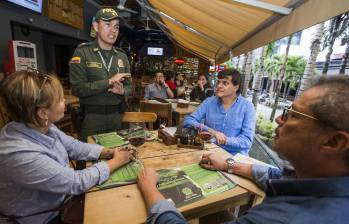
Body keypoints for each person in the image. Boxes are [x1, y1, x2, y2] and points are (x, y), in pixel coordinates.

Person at [137, 74, 349, 224]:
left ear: (333, 142)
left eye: (293, 114)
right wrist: (229, 165)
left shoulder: (281, 217)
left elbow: (246, 141)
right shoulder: (313, 179)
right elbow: (275, 175)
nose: (278, 118)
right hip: (219, 159)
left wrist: (150, 189)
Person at [0, 71, 136, 224]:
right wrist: (117, 161)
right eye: (59, 99)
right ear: (43, 113)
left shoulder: (39, 125)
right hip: (44, 217)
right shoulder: (19, 154)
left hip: (59, 201)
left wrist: (109, 152)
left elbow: (73, 146)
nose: (65, 100)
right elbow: (75, 182)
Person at [69, 8, 132, 142]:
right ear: (96, 26)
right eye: (108, 25)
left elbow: (130, 87)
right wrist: (109, 82)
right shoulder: (83, 52)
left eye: (116, 27)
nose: (113, 30)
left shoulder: (122, 56)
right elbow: (77, 89)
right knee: (91, 159)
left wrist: (122, 91)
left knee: (120, 156)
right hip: (92, 118)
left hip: (118, 116)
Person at [183, 69, 256, 155]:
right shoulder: (209, 102)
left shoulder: (247, 107)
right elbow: (188, 121)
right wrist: (211, 131)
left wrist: (224, 140)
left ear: (236, 87)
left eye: (225, 83)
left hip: (234, 158)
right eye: (218, 82)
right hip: (208, 152)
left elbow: (247, 141)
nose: (219, 86)